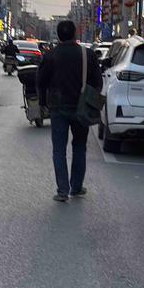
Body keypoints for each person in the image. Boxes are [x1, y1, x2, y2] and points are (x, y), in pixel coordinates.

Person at [37, 19, 103, 202]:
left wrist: (42, 102)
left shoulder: (51, 55)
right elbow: (98, 82)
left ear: (58, 35)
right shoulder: (87, 54)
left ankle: (62, 190)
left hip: (58, 107)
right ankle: (77, 187)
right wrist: (91, 98)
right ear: (75, 34)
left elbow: (41, 81)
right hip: (81, 107)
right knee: (79, 147)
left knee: (59, 149)